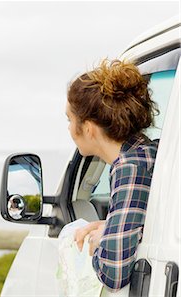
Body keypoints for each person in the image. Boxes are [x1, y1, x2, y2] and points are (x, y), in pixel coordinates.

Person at [65, 59, 159, 291]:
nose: (68, 128)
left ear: (88, 128)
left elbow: (113, 273)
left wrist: (99, 244)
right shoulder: (146, 152)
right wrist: (110, 227)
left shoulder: (129, 167)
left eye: (69, 119)